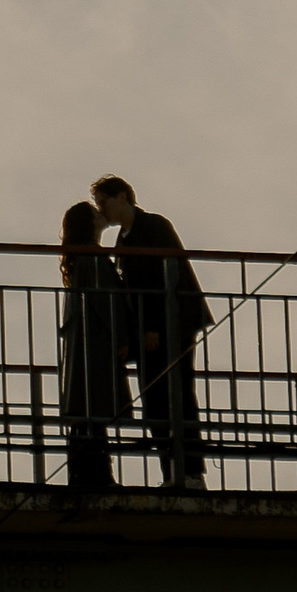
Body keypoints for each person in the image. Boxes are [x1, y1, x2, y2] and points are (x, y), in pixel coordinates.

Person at [91, 175, 212, 489]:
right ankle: (173, 473)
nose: (100, 208)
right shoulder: (124, 239)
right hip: (149, 333)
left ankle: (192, 473)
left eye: (103, 201)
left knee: (179, 396)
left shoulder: (154, 226)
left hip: (171, 326)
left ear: (121, 196)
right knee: (155, 400)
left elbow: (166, 275)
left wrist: (155, 325)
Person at [57, 198, 132, 490]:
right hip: (96, 344)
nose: (101, 216)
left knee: (85, 412)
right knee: (95, 409)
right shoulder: (93, 257)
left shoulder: (79, 259)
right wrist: (123, 337)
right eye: (95, 213)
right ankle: (99, 476)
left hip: (84, 345)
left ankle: (83, 474)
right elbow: (106, 301)